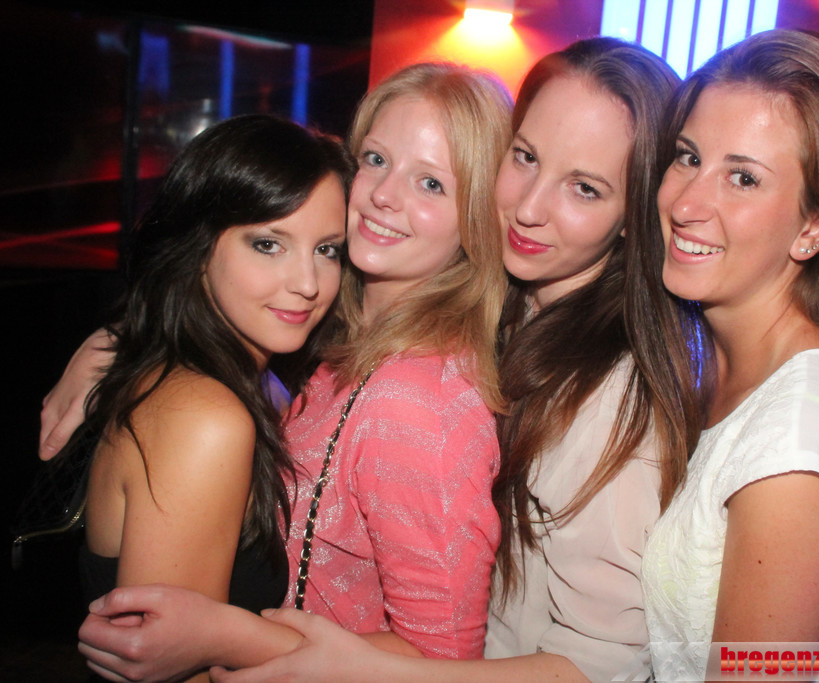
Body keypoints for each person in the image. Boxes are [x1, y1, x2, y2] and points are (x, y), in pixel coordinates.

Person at [184, 37, 707, 683]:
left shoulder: (605, 397)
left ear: (634, 214)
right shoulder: (499, 310)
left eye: (585, 188)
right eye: (525, 157)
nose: (529, 207)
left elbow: (602, 661)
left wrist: (353, 666)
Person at [73, 62, 513, 681]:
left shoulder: (417, 404)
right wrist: (119, 340)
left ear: (478, 218)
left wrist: (227, 634)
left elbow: (443, 660)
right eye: (376, 159)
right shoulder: (330, 348)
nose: (384, 196)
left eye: (432, 183)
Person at [639, 29, 819, 680]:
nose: (685, 203)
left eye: (742, 178)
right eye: (688, 157)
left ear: (813, 227)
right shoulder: (734, 372)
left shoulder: (795, 442)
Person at [73, 113, 353, 682]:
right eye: (268, 244)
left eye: (327, 249)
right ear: (199, 248)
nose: (308, 283)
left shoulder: (246, 382)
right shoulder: (204, 415)